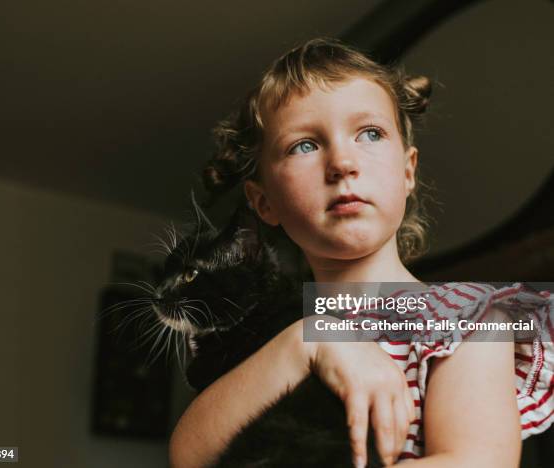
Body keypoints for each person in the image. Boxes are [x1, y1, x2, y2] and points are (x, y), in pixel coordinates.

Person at [169, 37, 553, 467]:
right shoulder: (276, 335)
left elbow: (479, 461)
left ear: (408, 172)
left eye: (369, 133)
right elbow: (189, 455)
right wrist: (304, 345)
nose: (342, 162)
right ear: (264, 203)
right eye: (305, 145)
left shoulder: (466, 319)